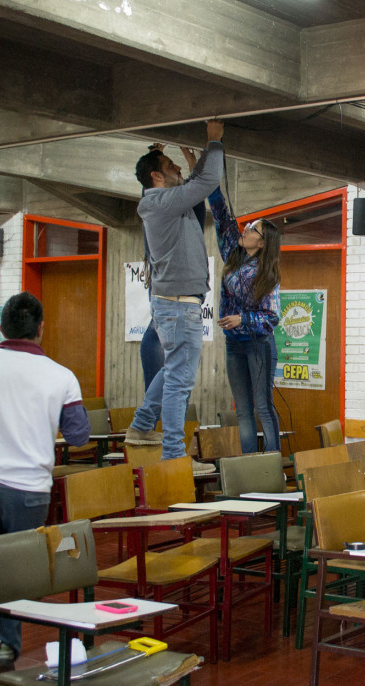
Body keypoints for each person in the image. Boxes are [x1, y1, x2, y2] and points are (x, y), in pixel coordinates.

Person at [0, 292, 91, 671]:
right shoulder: (62, 375)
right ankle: (4, 651)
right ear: (41, 329)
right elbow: (78, 436)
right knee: (13, 577)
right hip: (28, 492)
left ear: (1, 326)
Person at [127, 121, 224, 473]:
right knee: (180, 382)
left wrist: (177, 158)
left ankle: (140, 425)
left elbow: (195, 190)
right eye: (170, 168)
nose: (177, 171)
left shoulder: (163, 203)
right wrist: (213, 142)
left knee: (173, 372)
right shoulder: (161, 203)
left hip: (177, 303)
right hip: (179, 305)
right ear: (156, 178)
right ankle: (172, 456)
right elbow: (207, 184)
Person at [209, 188, 282, 454]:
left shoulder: (268, 273)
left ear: (262, 243)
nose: (246, 230)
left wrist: (243, 318)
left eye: (253, 230)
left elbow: (272, 318)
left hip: (259, 344)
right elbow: (221, 218)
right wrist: (206, 175)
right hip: (234, 344)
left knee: (263, 406)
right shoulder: (233, 254)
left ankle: (273, 461)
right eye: (248, 226)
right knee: (243, 410)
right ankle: (250, 463)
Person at [140, 144, 207, 392]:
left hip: (178, 296)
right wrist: (199, 165)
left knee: (179, 376)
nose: (175, 169)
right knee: (176, 373)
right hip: (170, 295)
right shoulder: (157, 210)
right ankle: (147, 419)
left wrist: (193, 168)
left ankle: (149, 418)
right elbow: (151, 192)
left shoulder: (183, 211)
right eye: (169, 166)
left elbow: (195, 197)